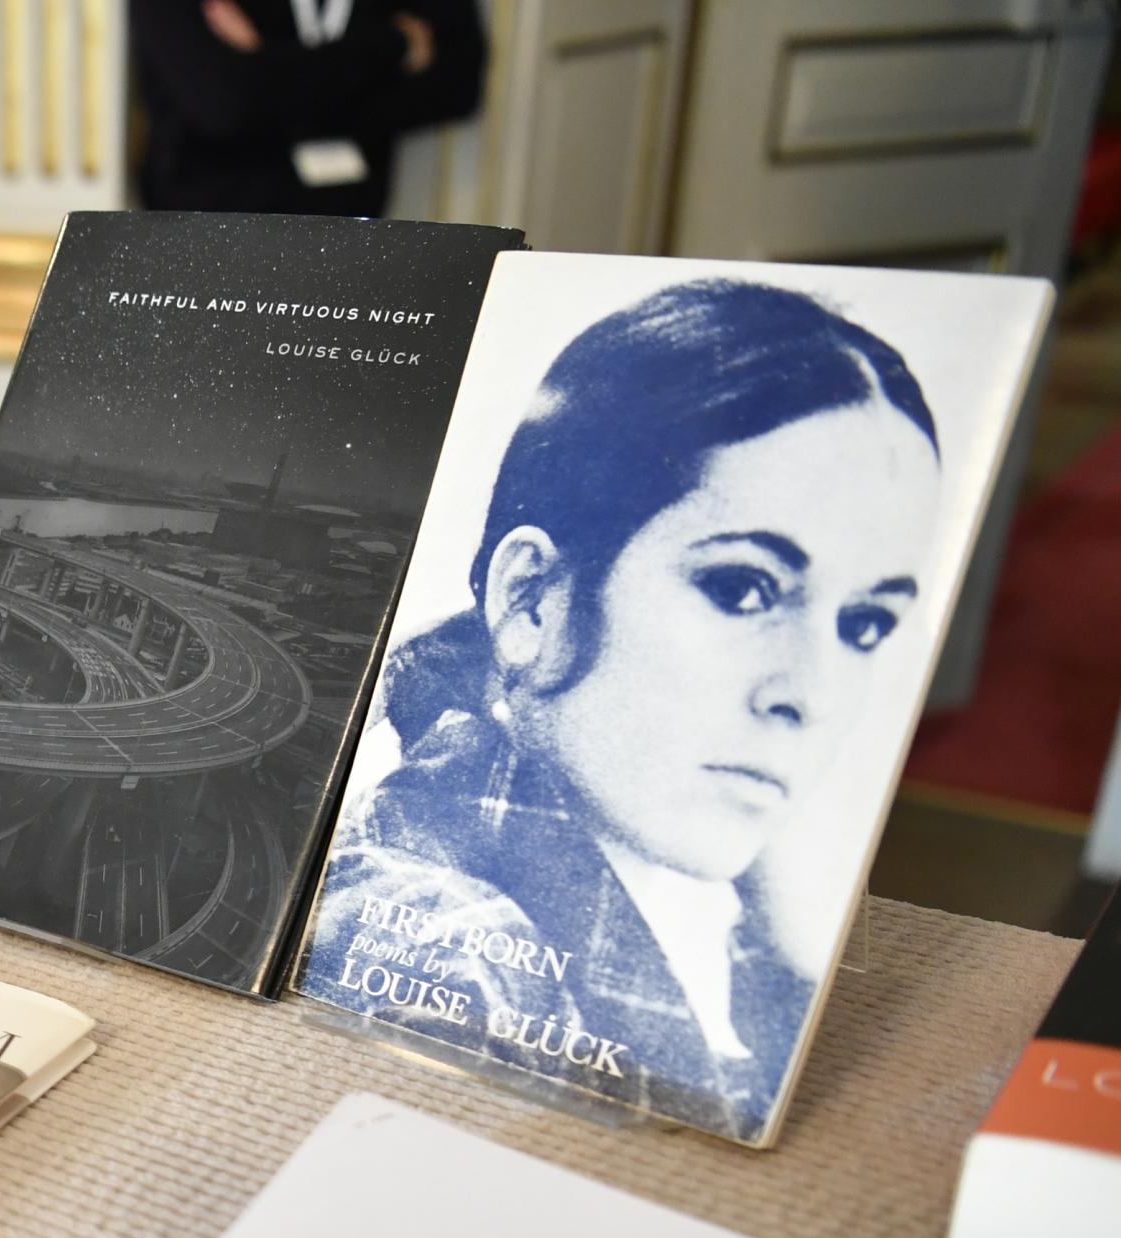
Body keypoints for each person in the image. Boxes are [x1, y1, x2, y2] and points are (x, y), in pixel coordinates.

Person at [304, 279, 945, 1138]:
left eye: (865, 623)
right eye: (743, 588)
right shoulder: (448, 947)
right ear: (532, 599)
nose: (809, 693)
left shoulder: (739, 936)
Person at [132, 0, 485, 215]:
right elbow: (224, 103)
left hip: (355, 234)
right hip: (205, 230)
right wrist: (393, 45)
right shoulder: (389, 46)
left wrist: (268, 73)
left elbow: (458, 84)